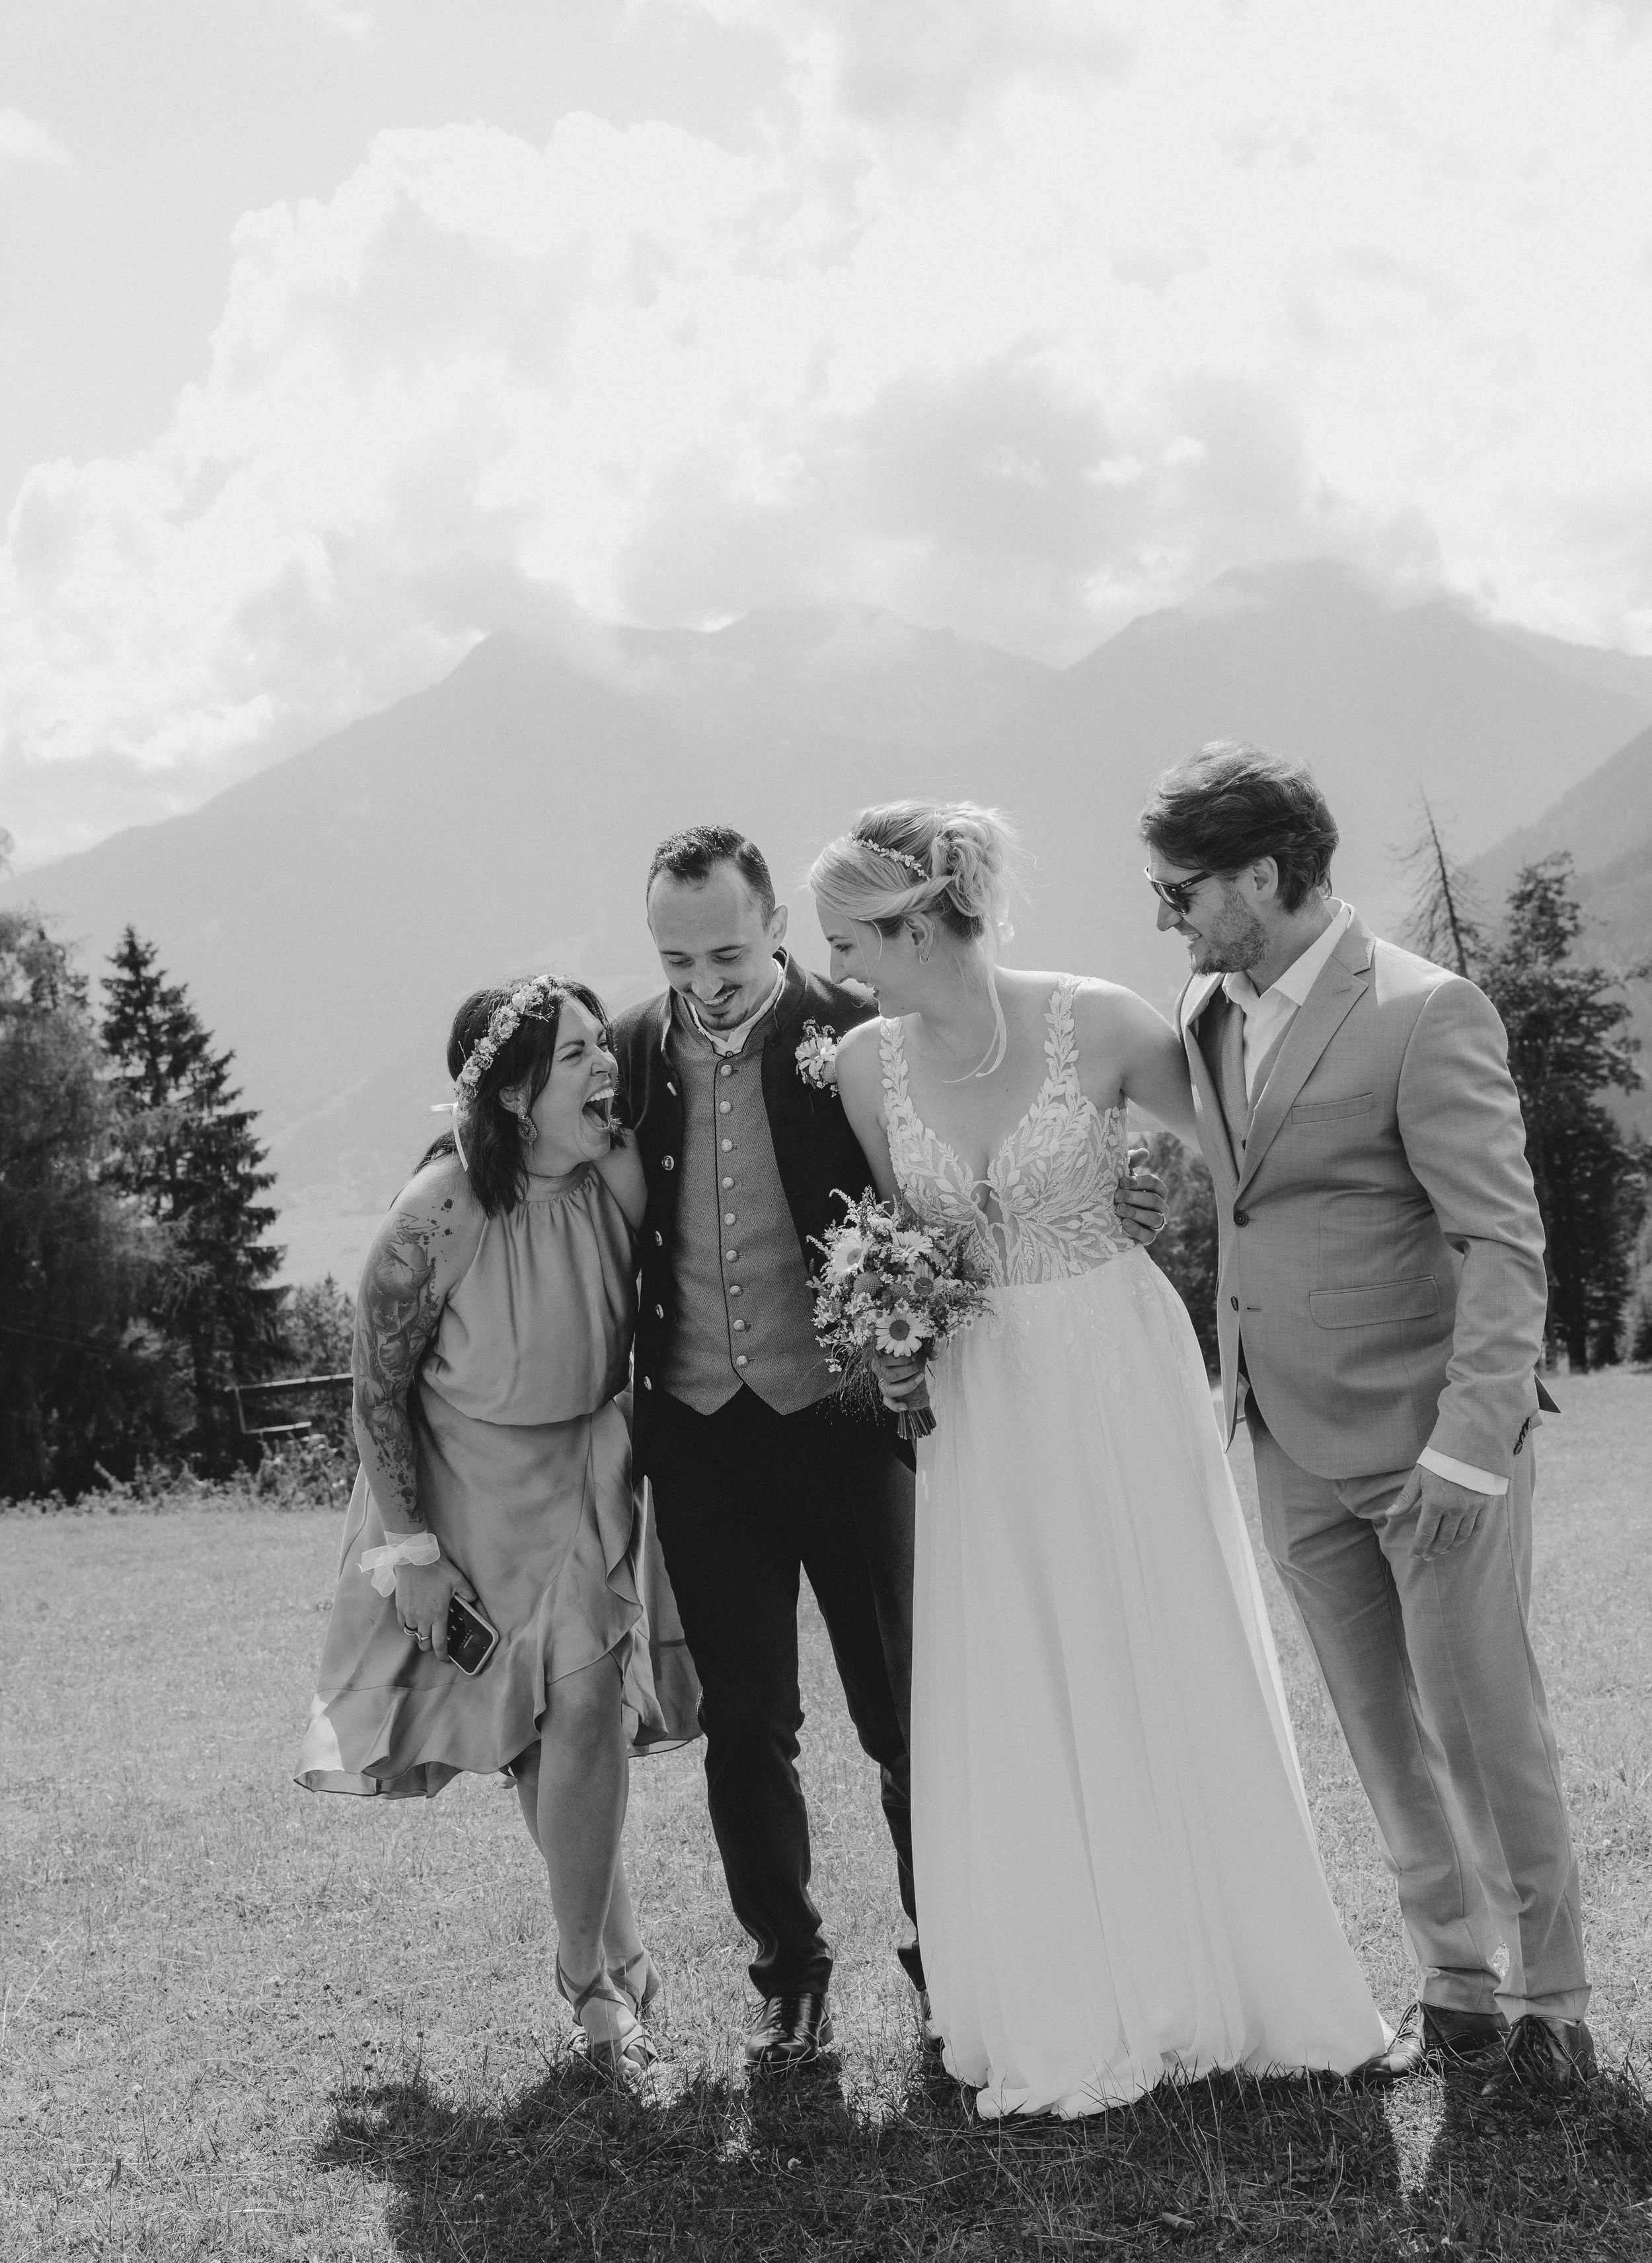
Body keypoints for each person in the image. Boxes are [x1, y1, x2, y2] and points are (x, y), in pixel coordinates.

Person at [814, 800, 1388, 2120]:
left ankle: (1222, 1970)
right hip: (977, 1398)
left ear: (919, 920)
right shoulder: (861, 1068)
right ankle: (1060, 1983)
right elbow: (907, 1240)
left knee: (1153, 1634)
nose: (835, 963)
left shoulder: (1105, 1021)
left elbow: (1238, 1166)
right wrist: (894, 1337)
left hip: (1116, 1367)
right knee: (1016, 1659)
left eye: (852, 937)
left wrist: (1167, 1192)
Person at [611, 823, 1174, 2074]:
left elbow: (958, 1175)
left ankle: (948, 1958)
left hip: (852, 1422)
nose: (702, 978)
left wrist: (1133, 1183)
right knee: (747, 1721)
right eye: (674, 955)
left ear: (772, 927)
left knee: (906, 1710)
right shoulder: (634, 1048)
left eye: (726, 949)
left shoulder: (856, 1037)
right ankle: (789, 1971)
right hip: (699, 1435)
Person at [1144, 742, 1592, 2102]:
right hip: (1283, 1440)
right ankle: (1453, 1988)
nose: (1167, 913)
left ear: (1265, 876)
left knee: (1481, 1727)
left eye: (1183, 889)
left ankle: (1552, 2006)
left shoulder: (1424, 1010)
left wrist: (1471, 1440)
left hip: (1427, 1448)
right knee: (1379, 1737)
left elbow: (1499, 1244)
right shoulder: (1207, 1015)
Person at [297, 975, 698, 2087]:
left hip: (587, 1466)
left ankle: (589, 1975)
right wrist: (413, 1558)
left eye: (596, 1048)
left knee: (583, 1703)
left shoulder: (615, 1165)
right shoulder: (437, 1213)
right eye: (576, 1057)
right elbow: (372, 1396)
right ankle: (611, 1960)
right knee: (538, 1723)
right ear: (517, 1092)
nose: (603, 1069)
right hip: (467, 1482)